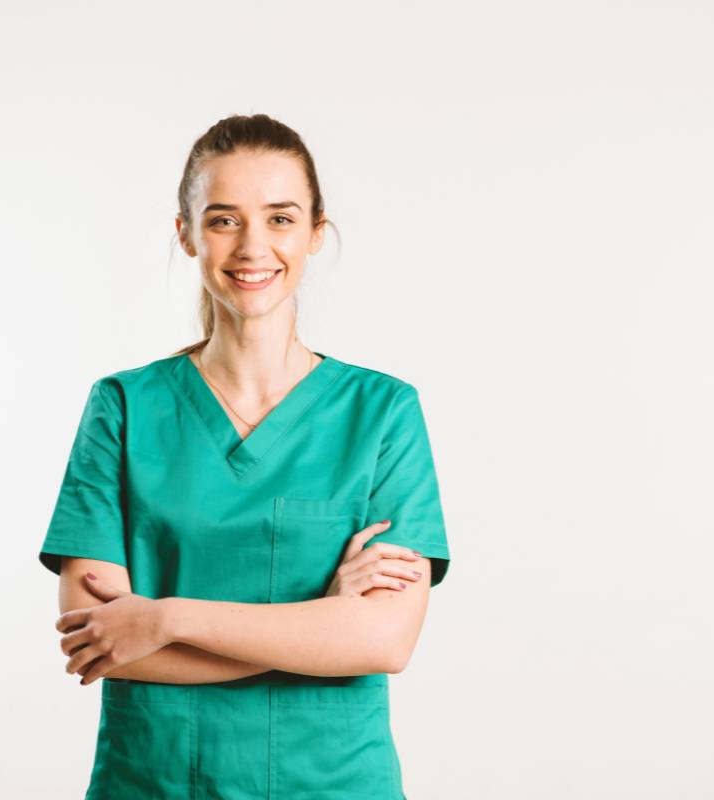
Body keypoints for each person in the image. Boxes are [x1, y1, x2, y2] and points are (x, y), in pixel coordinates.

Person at [37, 113, 452, 799]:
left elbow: (382, 641)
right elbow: (101, 643)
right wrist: (318, 623)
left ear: (317, 232)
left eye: (281, 218)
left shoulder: (381, 413)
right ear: (187, 233)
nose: (253, 246)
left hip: (333, 784)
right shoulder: (124, 407)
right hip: (157, 781)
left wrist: (164, 619)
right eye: (224, 219)